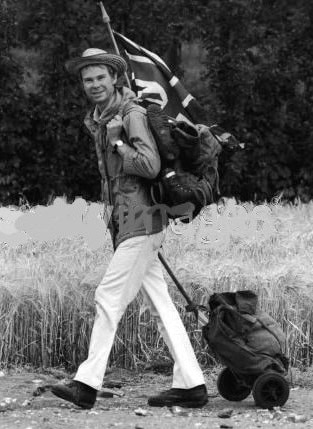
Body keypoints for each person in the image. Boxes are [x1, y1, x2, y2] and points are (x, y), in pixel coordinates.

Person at [50, 48, 208, 409]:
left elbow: (150, 166)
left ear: (114, 78)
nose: (94, 85)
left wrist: (119, 140)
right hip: (126, 221)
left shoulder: (130, 114)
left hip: (142, 218)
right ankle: (192, 384)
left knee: (107, 297)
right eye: (87, 80)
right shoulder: (98, 118)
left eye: (100, 78)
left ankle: (86, 384)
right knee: (162, 306)